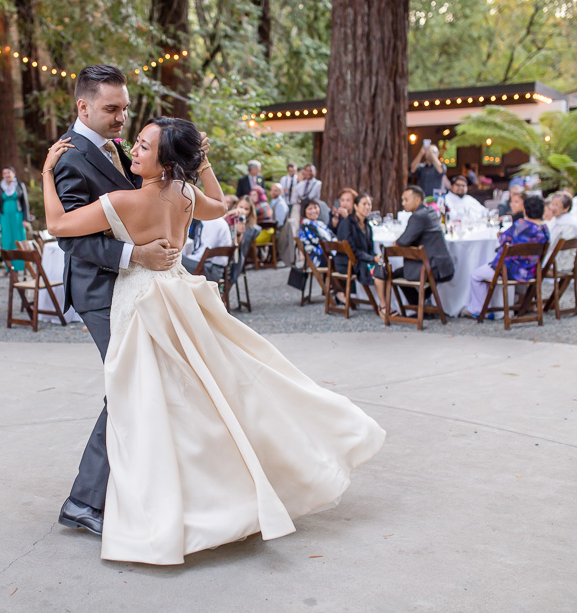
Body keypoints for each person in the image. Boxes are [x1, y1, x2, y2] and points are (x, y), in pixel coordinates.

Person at [42, 116, 385, 565]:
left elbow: (58, 224)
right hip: (180, 295)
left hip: (144, 303)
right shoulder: (183, 194)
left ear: (164, 161)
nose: (133, 151)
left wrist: (47, 173)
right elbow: (220, 204)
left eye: (144, 147)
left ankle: (161, 495)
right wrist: (202, 164)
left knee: (147, 396)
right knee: (204, 386)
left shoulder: (123, 200)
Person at [50, 65, 185, 538]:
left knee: (144, 384)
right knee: (129, 387)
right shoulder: (68, 159)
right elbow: (71, 239)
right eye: (112, 109)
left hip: (134, 288)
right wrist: (137, 254)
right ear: (83, 106)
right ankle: (83, 501)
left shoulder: (116, 150)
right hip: (99, 291)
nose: (122, 117)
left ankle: (122, 487)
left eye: (125, 107)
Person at [374, 186, 455, 316]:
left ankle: (419, 308)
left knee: (396, 274)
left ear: (417, 200)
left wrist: (397, 242)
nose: (403, 203)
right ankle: (423, 308)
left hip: (429, 268)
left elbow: (403, 242)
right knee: (402, 273)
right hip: (441, 265)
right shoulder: (430, 211)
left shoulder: (417, 217)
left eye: (406, 200)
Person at [465, 195, 550, 317]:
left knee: (476, 276)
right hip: (531, 270)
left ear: (525, 210)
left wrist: (501, 236)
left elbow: (503, 240)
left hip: (509, 271)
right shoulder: (545, 229)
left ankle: (481, 310)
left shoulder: (521, 224)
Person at [335, 193, 380, 297]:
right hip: (347, 262)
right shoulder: (347, 223)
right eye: (364, 204)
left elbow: (369, 248)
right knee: (377, 270)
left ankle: (381, 302)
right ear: (355, 206)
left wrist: (375, 257)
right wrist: (372, 258)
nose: (367, 207)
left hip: (360, 260)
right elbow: (350, 249)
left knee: (383, 268)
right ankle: (379, 303)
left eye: (369, 204)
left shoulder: (368, 225)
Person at [0, 166, 32, 272]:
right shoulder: (0, 187)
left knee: (19, 238)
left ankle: (22, 265)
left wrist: (26, 219)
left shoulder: (20, 186)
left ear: (13, 173)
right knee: (7, 240)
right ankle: (9, 267)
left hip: (18, 216)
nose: (7, 175)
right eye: (4, 173)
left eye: (9, 172)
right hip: (5, 217)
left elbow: (25, 203)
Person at [181, 215, 232, 282]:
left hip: (210, 270)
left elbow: (204, 252)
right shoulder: (211, 219)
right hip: (210, 266)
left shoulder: (213, 222)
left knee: (176, 259)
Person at [544, 192, 577, 272]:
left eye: (556, 205)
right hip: (555, 261)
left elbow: (565, 251)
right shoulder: (556, 220)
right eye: (552, 204)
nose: (552, 208)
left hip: (561, 264)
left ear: (566, 208)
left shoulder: (568, 224)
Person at [297, 200, 335, 267]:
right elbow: (318, 242)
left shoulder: (320, 223)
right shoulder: (306, 225)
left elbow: (333, 236)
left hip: (328, 254)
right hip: (318, 257)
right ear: (304, 211)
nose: (314, 211)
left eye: (315, 207)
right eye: (310, 209)